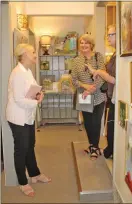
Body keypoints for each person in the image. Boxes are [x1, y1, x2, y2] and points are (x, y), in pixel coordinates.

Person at [6, 44, 51, 197]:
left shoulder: (28, 71)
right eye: (32, 52)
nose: (35, 54)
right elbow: (19, 99)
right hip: (18, 117)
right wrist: (36, 102)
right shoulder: (17, 73)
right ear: (24, 54)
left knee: (30, 145)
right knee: (21, 149)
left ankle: (35, 173)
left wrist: (38, 94)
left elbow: (31, 90)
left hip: (27, 116)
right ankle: (23, 182)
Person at [71, 34, 107, 160]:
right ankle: (93, 145)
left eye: (86, 43)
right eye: (81, 43)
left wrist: (92, 89)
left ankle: (94, 147)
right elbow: (74, 80)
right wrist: (85, 87)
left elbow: (103, 76)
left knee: (96, 122)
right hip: (84, 95)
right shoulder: (76, 60)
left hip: (98, 96)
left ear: (91, 45)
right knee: (88, 123)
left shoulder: (98, 57)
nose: (84, 45)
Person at [92, 24, 116, 159]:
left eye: (110, 35)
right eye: (107, 35)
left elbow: (114, 79)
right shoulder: (115, 53)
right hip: (112, 96)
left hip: (116, 97)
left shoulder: (120, 55)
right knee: (111, 127)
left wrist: (99, 72)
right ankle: (109, 150)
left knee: (112, 127)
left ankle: (110, 151)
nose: (107, 37)